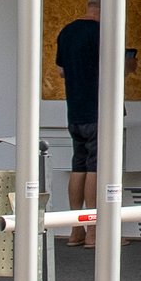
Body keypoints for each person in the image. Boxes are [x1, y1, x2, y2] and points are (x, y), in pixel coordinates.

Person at [54, 13, 101, 250]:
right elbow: (114, 68)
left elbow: (61, 71)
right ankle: (93, 231)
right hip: (97, 111)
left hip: (74, 111)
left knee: (79, 166)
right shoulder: (101, 32)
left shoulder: (67, 32)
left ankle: (76, 230)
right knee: (96, 168)